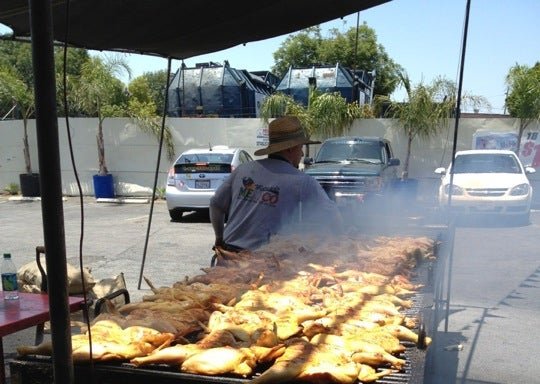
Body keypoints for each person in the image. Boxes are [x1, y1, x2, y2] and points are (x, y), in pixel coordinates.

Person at [209, 116, 343, 252]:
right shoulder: (302, 181)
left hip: (228, 254)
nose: (302, 153)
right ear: (290, 149)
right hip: (265, 261)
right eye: (300, 148)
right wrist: (341, 245)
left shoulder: (243, 170)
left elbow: (216, 204)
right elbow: (332, 216)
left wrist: (219, 238)